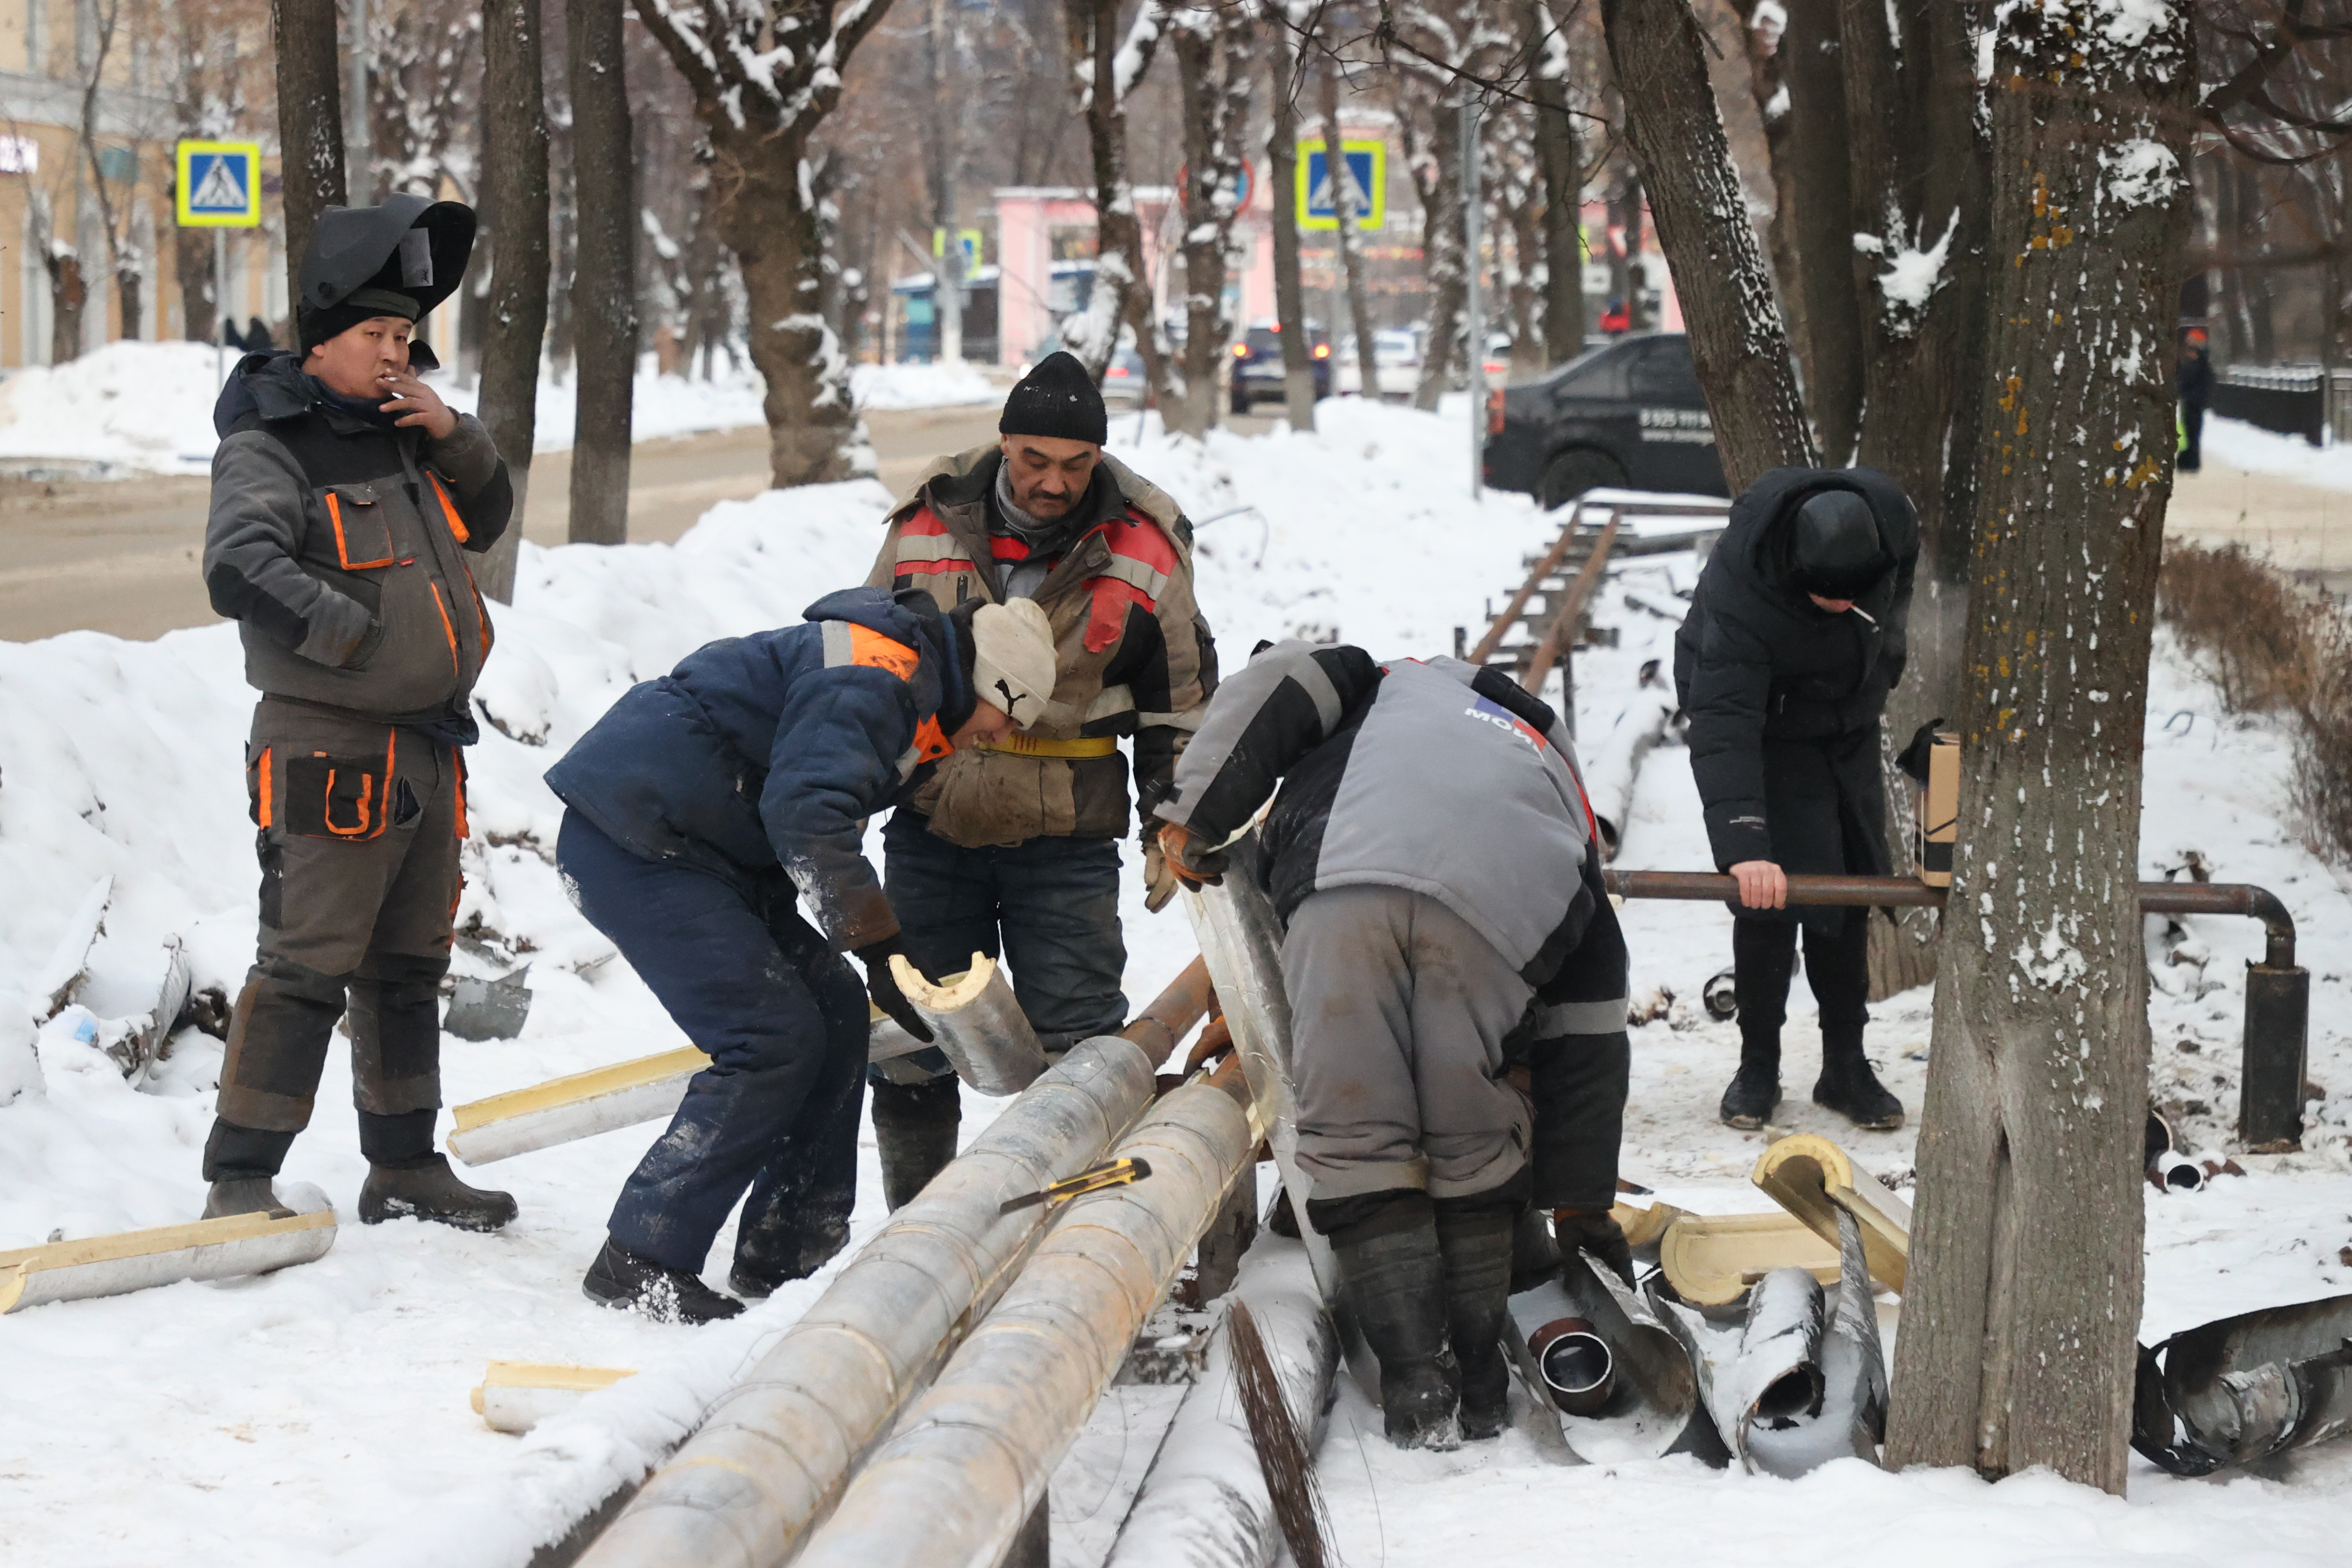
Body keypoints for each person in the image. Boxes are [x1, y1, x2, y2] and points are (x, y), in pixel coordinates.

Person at [1154, 643, 1628, 1450]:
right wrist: (1580, 1199)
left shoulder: (1375, 679)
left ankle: (1416, 1385)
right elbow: (1588, 1012)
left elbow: (1283, 680)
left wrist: (1191, 814)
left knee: (1361, 1134)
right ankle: (1480, 1385)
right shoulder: (1550, 759)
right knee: (1470, 1133)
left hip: (1348, 875)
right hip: (1505, 899)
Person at [543, 588, 1059, 1322]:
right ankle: (642, 1257)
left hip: (709, 847)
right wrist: (880, 944)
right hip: (638, 836)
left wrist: (875, 955)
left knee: (837, 1010)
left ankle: (791, 1248)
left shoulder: (915, 692)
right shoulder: (877, 679)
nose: (1001, 737)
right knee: (770, 1037)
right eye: (1008, 719)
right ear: (992, 683)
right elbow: (806, 813)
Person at [197, 194, 516, 1228]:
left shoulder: (400, 428)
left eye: (406, 337)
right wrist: (363, 643)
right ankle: (242, 1178)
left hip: (425, 750)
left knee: (410, 967)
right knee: (304, 965)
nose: (397, 355)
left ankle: (405, 1164)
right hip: (331, 747)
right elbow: (238, 565)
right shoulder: (270, 442)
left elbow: (485, 519)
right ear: (324, 339)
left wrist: (453, 433)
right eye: (378, 336)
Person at [859, 351, 1215, 1207]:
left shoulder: (1143, 548)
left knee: (1079, 1045)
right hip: (933, 821)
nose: (1052, 482)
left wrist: (1169, 823)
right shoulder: (924, 528)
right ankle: (918, 1227)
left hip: (1065, 837)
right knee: (913, 1038)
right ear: (1004, 443)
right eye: (1033, 460)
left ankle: (1066, 1235)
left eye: (1075, 464)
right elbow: (862, 663)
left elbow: (1178, 709)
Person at [1673, 467, 1919, 1132]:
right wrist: (1744, 845)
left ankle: (1846, 1062)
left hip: (1844, 720)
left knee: (1849, 884)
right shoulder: (1742, 594)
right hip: (1761, 718)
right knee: (1771, 889)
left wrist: (1873, 679)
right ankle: (1759, 1063)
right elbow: (1723, 723)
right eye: (1825, 598)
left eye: (1851, 598)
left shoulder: (1892, 522)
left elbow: (1894, 613)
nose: (1841, 607)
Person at [2178, 328, 2212, 474]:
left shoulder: (2200, 365)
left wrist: (2188, 394)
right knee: (2188, 432)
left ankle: (2190, 462)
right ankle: (2187, 461)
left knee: (2191, 433)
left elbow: (2199, 383)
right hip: (2191, 402)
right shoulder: (2197, 363)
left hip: (2194, 403)